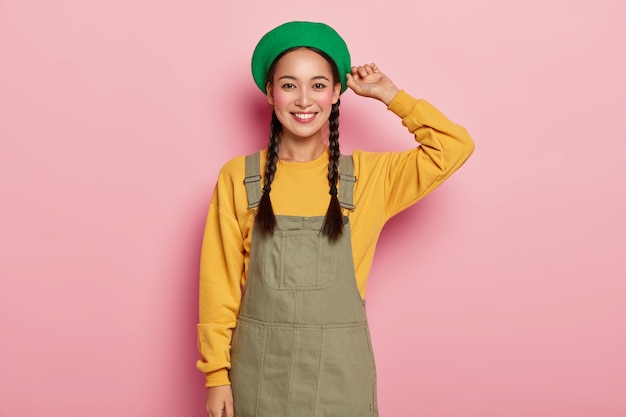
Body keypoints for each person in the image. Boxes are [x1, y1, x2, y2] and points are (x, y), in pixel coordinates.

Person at [197, 21, 475, 417]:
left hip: (340, 377)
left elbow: (454, 146)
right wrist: (216, 377)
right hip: (258, 374)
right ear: (270, 93)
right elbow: (218, 283)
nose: (304, 100)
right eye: (289, 85)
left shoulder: (368, 178)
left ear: (336, 93)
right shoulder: (239, 177)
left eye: (318, 85)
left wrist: (390, 95)